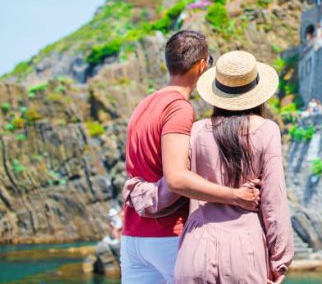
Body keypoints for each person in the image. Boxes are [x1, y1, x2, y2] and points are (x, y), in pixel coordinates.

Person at [121, 31, 261, 284]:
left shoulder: (144, 104)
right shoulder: (178, 107)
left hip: (133, 236)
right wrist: (236, 196)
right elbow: (176, 179)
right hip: (168, 235)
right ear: (201, 65)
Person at [174, 50, 294, 283]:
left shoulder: (197, 130)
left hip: (196, 246)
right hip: (244, 250)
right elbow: (273, 200)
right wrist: (280, 261)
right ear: (256, 93)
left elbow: (178, 183)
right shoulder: (267, 130)